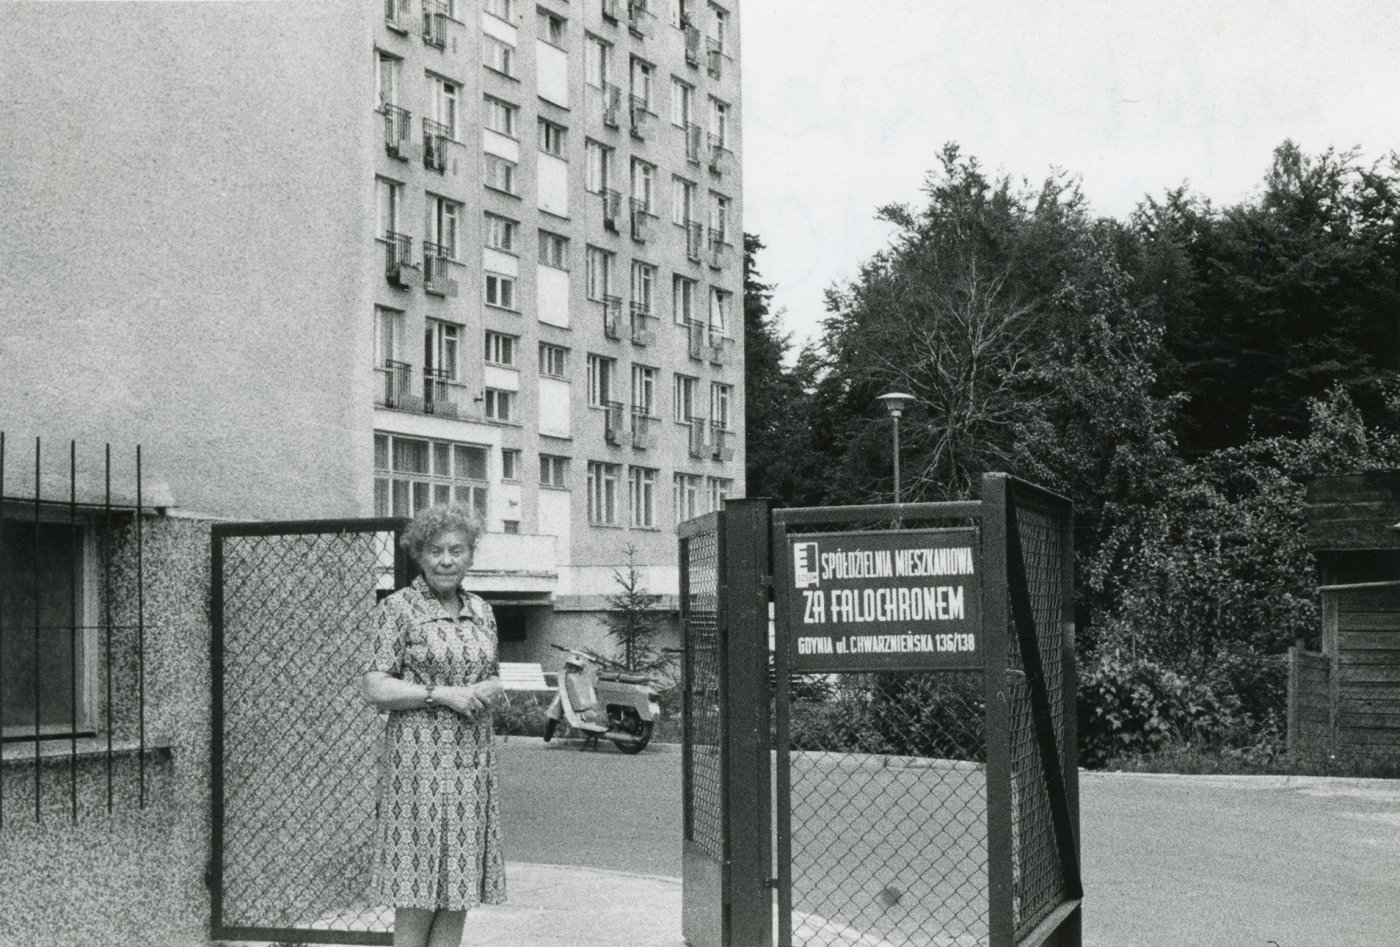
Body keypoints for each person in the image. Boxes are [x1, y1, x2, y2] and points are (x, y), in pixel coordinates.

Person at [363, 505, 507, 947]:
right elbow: (374, 685)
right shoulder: (398, 609)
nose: (446, 560)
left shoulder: (482, 611)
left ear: (470, 556)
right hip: (419, 767)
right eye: (436, 551)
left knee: (458, 883)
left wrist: (488, 687)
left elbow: (492, 671)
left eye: (456, 551)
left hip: (471, 764)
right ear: (420, 556)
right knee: (419, 883)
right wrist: (440, 694)